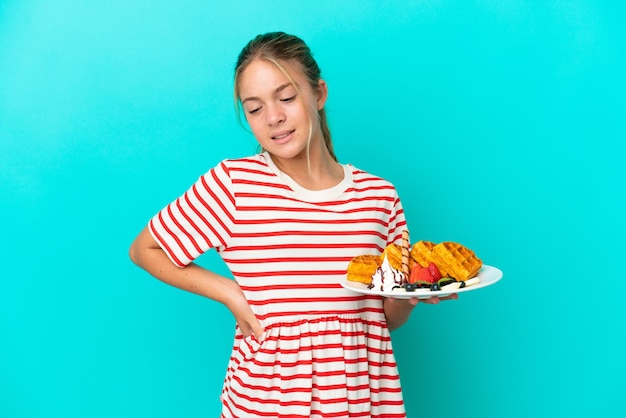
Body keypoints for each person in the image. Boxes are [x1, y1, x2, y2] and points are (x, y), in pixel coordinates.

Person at [129, 31, 456, 417]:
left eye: (286, 97)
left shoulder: (378, 198)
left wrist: (409, 299)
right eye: (254, 108)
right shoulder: (235, 184)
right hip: (267, 404)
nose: (274, 117)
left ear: (318, 94)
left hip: (362, 403)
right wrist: (230, 292)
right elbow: (144, 249)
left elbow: (381, 320)